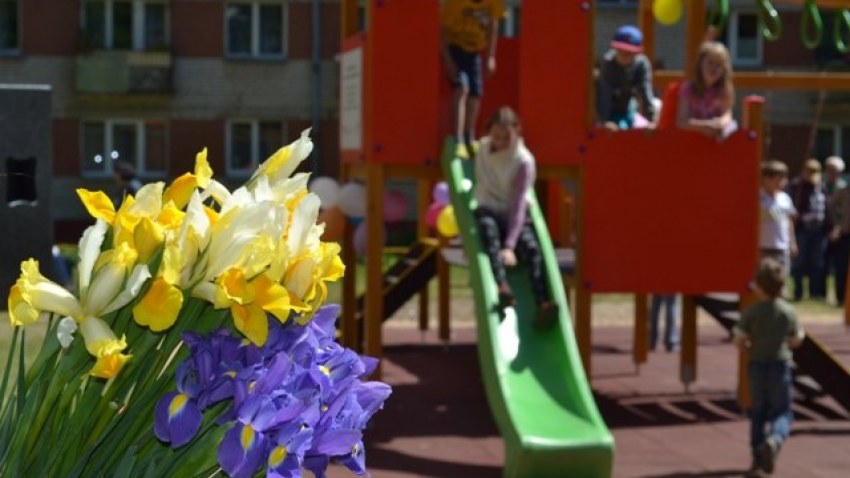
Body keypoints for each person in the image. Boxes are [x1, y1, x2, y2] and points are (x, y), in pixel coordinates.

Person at [472, 106, 557, 329]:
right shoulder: (482, 148)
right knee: (488, 234)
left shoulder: (523, 161)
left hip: (512, 214)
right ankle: (502, 287)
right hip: (489, 208)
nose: (500, 143)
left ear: (517, 132)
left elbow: (519, 205)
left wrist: (509, 245)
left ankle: (543, 302)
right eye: (496, 137)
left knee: (532, 249)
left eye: (506, 137)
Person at [733, 257, 804, 477]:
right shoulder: (787, 311)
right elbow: (796, 339)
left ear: (759, 287)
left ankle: (756, 456)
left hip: (756, 365)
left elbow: (739, 337)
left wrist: (745, 345)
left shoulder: (752, 312)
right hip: (780, 365)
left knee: (758, 412)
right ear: (781, 285)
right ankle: (774, 439)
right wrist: (794, 339)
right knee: (782, 411)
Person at [440, 0, 505, 158]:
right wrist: (448, 60)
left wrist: (490, 56)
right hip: (454, 49)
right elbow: (440, 31)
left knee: (475, 94)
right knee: (461, 87)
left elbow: (492, 25)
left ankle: (469, 137)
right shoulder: (454, 4)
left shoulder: (492, 3)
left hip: (474, 51)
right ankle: (458, 140)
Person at [595, 25, 656, 131]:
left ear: (636, 54)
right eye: (620, 51)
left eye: (628, 53)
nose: (623, 56)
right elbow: (605, 93)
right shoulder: (608, 63)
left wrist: (652, 120)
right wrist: (605, 121)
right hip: (609, 110)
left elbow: (645, 91)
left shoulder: (642, 64)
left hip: (628, 109)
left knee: (638, 126)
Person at [676, 41, 738, 140]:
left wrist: (719, 124)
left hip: (715, 143)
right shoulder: (688, 89)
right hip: (690, 142)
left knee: (732, 127)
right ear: (700, 64)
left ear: (724, 69)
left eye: (718, 65)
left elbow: (727, 116)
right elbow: (681, 121)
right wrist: (704, 126)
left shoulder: (724, 90)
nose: (714, 68)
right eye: (710, 63)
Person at [788, 159, 831, 301]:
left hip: (819, 230)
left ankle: (815, 293)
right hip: (802, 229)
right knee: (799, 261)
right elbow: (792, 208)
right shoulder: (797, 186)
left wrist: (829, 227)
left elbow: (827, 207)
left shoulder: (821, 186)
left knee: (817, 262)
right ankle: (798, 292)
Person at [759, 160, 797, 277]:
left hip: (781, 247)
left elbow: (789, 221)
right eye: (779, 178)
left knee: (781, 277)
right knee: (763, 278)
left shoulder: (785, 198)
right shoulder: (758, 198)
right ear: (766, 179)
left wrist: (792, 242)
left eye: (784, 178)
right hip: (762, 247)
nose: (783, 182)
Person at [824, 156, 848, 305]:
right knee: (833, 265)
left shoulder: (843, 186)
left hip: (844, 232)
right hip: (837, 231)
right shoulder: (841, 190)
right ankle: (835, 296)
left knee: (842, 266)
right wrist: (835, 226)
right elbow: (832, 208)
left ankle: (843, 297)